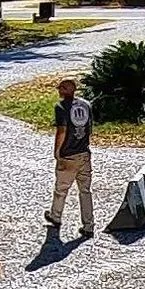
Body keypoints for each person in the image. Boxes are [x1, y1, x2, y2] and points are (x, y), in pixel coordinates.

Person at [44, 78, 95, 237]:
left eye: (62, 88)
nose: (59, 91)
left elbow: (62, 131)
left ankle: (56, 216)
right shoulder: (86, 105)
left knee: (61, 189)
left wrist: (57, 151)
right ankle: (89, 225)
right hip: (84, 153)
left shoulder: (61, 107)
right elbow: (90, 128)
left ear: (68, 90)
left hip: (68, 155)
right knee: (85, 191)